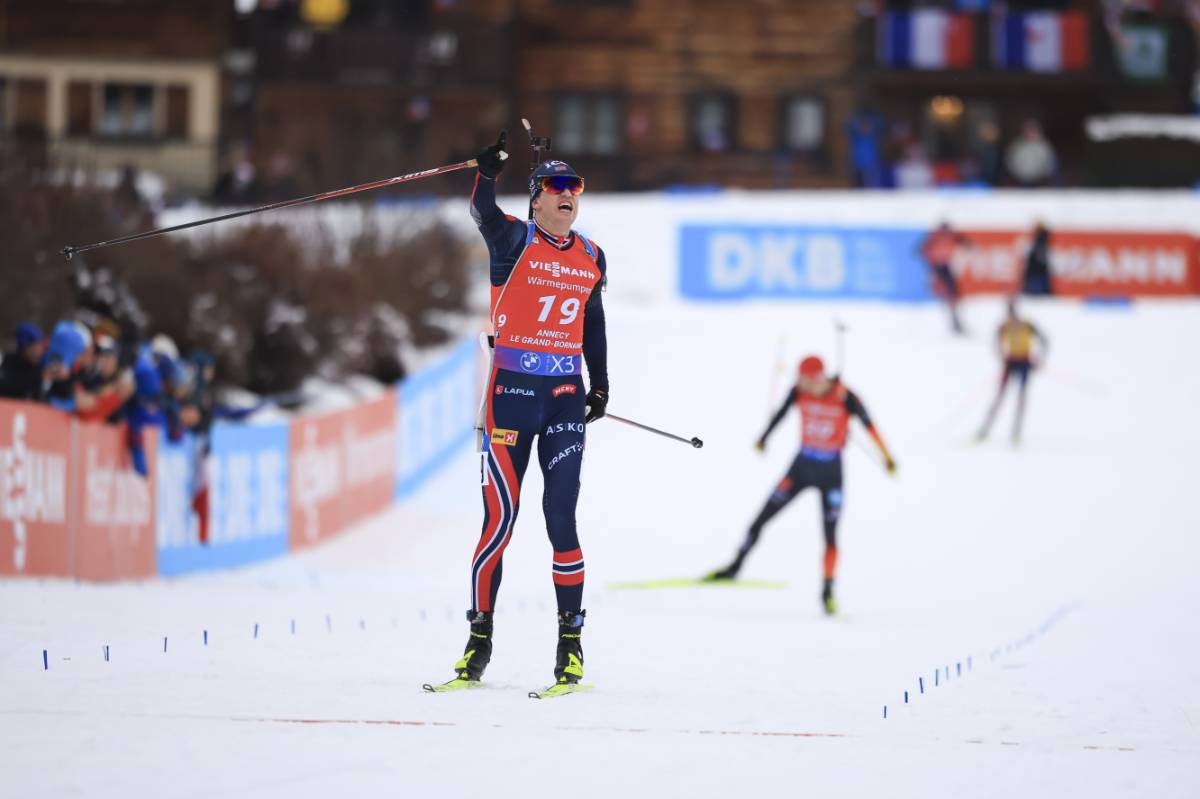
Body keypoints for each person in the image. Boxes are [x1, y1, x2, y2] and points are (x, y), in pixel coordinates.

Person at [437, 132, 609, 689]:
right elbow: (481, 210)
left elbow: (594, 322)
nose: (568, 195)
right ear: (537, 197)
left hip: (562, 398)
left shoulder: (591, 255)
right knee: (499, 522)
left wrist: (600, 386)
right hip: (509, 395)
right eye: (558, 186)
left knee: (561, 520)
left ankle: (570, 646)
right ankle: (478, 642)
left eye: (575, 187)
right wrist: (487, 172)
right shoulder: (513, 238)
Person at [708, 356, 896, 615]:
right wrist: (764, 438)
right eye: (799, 378)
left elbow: (870, 426)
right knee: (760, 519)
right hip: (801, 468)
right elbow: (781, 414)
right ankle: (734, 567)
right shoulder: (798, 392)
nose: (801, 383)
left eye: (806, 379)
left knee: (830, 536)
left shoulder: (845, 396)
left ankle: (828, 592)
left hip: (832, 473)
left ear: (819, 378)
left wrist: (886, 457)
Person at [976, 297, 1048, 445]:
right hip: (1010, 363)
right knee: (1000, 397)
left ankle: (1016, 432)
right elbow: (996, 344)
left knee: (1020, 397)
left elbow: (1045, 340)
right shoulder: (1004, 326)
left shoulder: (1027, 325)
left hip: (1025, 362)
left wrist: (1039, 358)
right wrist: (1001, 356)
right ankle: (985, 430)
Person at [920, 221, 972, 335]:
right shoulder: (935, 237)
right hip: (937, 267)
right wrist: (930, 260)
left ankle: (955, 320)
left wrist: (969, 245)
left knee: (953, 294)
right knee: (945, 293)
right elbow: (922, 249)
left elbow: (962, 240)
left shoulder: (950, 236)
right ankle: (953, 320)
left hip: (945, 266)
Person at [0, 322, 46, 400]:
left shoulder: (41, 366)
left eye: (41, 346)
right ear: (24, 348)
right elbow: (7, 386)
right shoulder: (8, 361)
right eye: (35, 347)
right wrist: (39, 380)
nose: (40, 351)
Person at [1022, 221, 1054, 296]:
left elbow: (1039, 261)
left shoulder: (1040, 244)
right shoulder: (1039, 243)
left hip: (1036, 276)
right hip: (1037, 275)